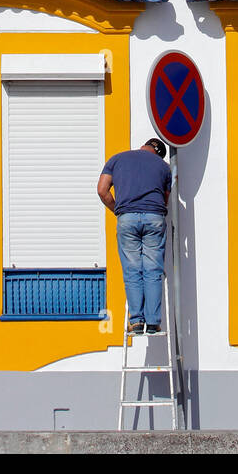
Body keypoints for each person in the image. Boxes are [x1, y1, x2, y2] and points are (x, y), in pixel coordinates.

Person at [97, 138, 172, 334]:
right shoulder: (164, 168)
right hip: (154, 218)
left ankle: (137, 320)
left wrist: (119, 210)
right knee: (153, 270)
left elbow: (102, 190)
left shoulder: (117, 159)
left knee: (132, 270)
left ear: (143, 146)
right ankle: (154, 322)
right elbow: (165, 200)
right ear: (158, 154)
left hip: (127, 218)